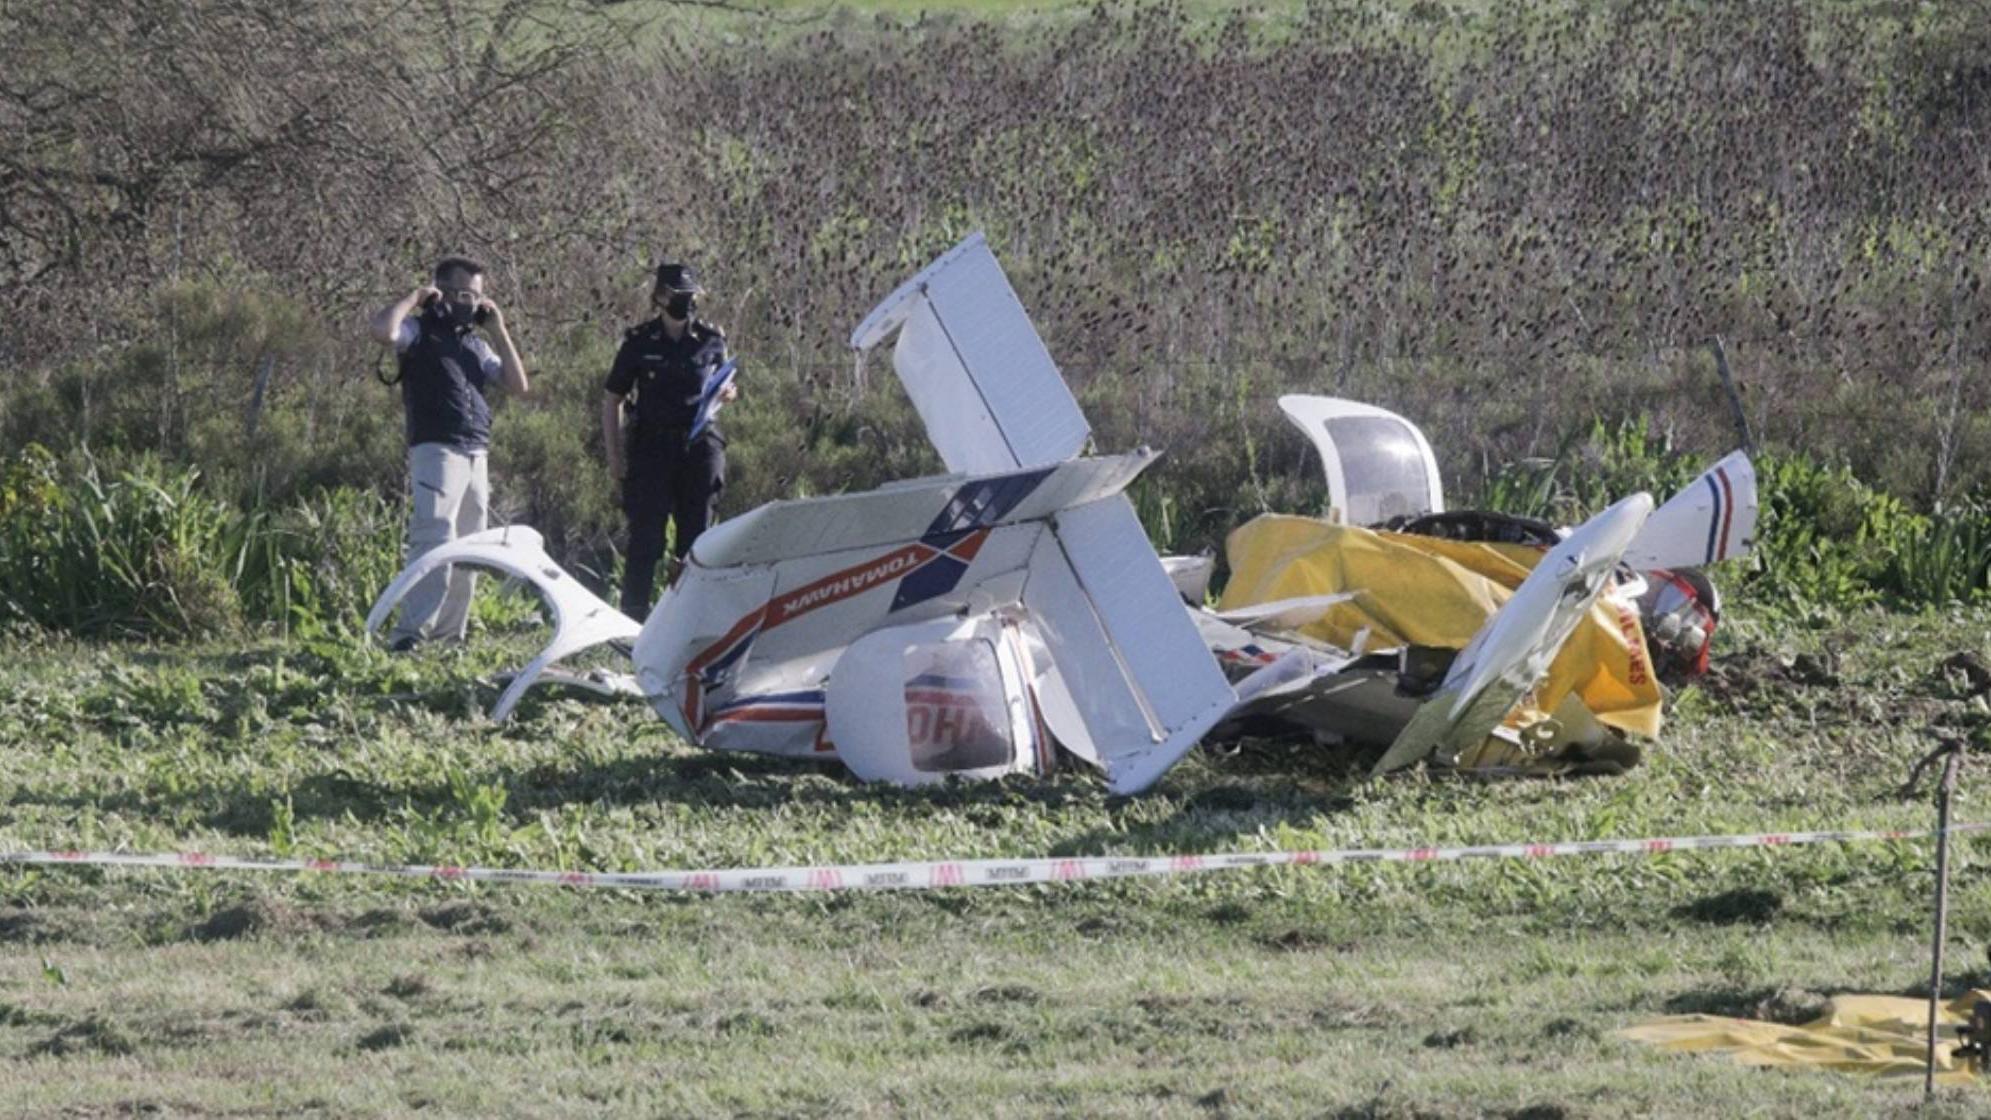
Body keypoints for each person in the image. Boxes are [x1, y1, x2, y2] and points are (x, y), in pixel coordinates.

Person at [366, 255, 529, 650]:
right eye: (460, 294)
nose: (469, 303)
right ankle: (409, 635)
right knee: (434, 540)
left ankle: (449, 638)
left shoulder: (475, 344)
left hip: (477, 451)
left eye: (476, 296)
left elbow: (517, 385)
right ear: (440, 292)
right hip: (436, 448)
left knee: (469, 550)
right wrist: (415, 297)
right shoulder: (419, 331)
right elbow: (383, 331)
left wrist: (499, 330)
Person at [603, 261, 738, 620]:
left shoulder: (711, 339)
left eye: (691, 295)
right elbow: (613, 398)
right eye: (678, 295)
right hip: (652, 447)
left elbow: (723, 384)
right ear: (660, 296)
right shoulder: (639, 342)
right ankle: (633, 620)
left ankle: (688, 619)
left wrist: (727, 394)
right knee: (646, 538)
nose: (686, 302)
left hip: (700, 446)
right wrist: (615, 458)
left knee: (697, 541)